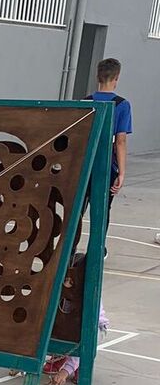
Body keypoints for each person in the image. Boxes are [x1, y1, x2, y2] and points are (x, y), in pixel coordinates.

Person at [87, 57, 132, 250]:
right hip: (106, 166)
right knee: (103, 209)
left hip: (84, 164)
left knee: (78, 209)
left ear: (98, 76)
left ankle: (69, 249)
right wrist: (121, 172)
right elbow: (120, 140)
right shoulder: (122, 105)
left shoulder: (85, 102)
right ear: (117, 78)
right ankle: (97, 249)